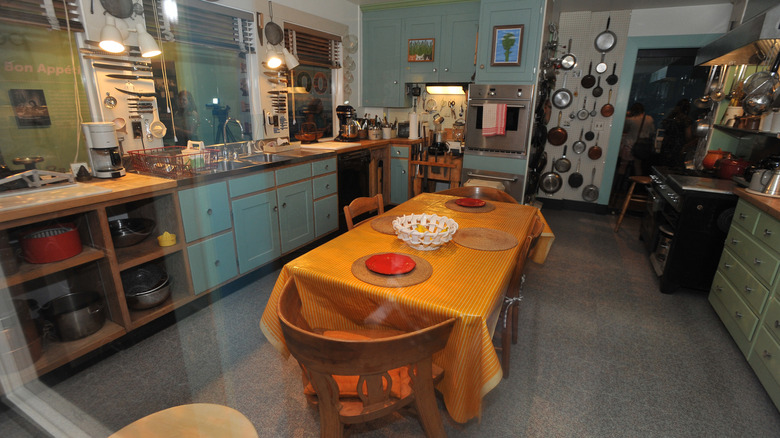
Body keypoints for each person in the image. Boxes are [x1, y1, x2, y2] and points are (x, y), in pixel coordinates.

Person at [619, 102, 655, 177]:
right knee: (638, 166)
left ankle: (619, 184)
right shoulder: (649, 119)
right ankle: (636, 185)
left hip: (629, 144)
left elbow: (624, 129)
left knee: (623, 165)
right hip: (641, 146)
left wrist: (627, 115)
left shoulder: (631, 120)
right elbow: (652, 131)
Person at [660, 99, 693, 168]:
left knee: (664, 166)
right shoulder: (686, 120)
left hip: (666, 144)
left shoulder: (671, 117)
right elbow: (688, 136)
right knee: (675, 167)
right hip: (678, 146)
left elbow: (663, 125)